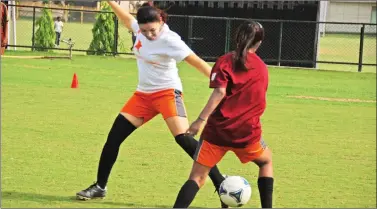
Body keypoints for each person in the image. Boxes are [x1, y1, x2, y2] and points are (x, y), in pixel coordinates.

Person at [76, 1, 227, 207]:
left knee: (184, 139)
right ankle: (100, 187)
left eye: (152, 30)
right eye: (145, 31)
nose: (149, 35)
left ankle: (220, 182)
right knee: (113, 138)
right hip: (143, 96)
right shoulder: (139, 29)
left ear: (161, 21)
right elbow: (126, 19)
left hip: (167, 93)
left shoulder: (170, 40)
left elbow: (197, 62)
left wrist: (220, 85)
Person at [173, 20, 274, 208]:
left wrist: (199, 121)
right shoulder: (262, 68)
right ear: (259, 43)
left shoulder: (225, 61)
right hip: (246, 134)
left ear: (237, 38)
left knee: (197, 177)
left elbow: (220, 92)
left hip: (216, 133)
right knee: (266, 161)